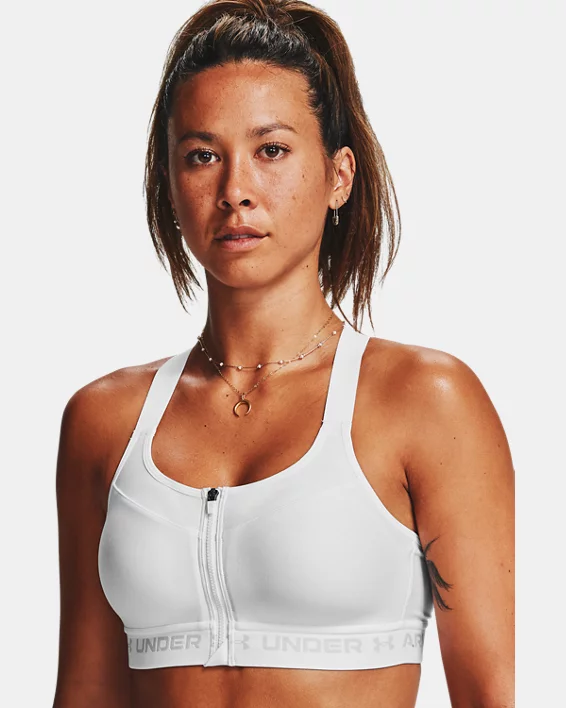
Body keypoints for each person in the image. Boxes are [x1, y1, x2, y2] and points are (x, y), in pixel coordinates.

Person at [52, 1, 515, 706]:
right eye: (202, 156)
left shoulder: (425, 402)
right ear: (169, 183)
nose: (235, 191)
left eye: (271, 150)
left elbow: (489, 694)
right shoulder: (103, 421)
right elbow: (84, 694)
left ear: (339, 176)